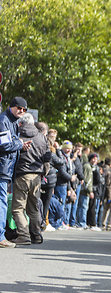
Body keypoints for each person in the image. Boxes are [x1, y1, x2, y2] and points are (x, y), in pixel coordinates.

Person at [11, 112, 51, 245]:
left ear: (21, 122)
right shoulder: (41, 137)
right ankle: (36, 234)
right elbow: (47, 158)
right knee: (33, 207)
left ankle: (23, 235)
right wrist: (43, 172)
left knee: (18, 208)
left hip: (21, 174)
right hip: (36, 176)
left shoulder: (16, 134)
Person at [0, 97, 31, 248]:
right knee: (2, 202)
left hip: (6, 168)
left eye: (24, 109)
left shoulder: (12, 122)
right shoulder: (4, 120)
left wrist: (20, 145)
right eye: (19, 108)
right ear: (11, 106)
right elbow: (5, 146)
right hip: (2, 168)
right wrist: (19, 143)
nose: (21, 111)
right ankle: (0, 237)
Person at [75, 153, 98, 228]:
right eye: (93, 159)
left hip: (85, 191)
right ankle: (82, 223)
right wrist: (90, 191)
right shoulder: (87, 167)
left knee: (82, 207)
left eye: (96, 159)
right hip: (85, 191)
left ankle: (80, 222)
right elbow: (87, 180)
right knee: (83, 207)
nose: (95, 160)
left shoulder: (90, 167)